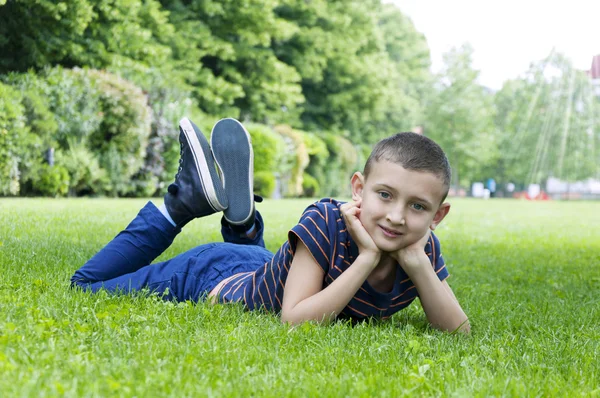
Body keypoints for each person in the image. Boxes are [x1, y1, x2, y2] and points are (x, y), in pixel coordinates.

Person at [71, 118, 470, 333]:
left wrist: (418, 265)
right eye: (385, 195)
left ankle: (241, 225)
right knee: (85, 287)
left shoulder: (420, 246)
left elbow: (458, 331)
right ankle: (180, 205)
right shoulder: (327, 222)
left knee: (263, 271)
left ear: (438, 216)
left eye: (418, 207)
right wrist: (365, 260)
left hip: (261, 267)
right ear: (359, 189)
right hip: (210, 276)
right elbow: (293, 319)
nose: (397, 217)